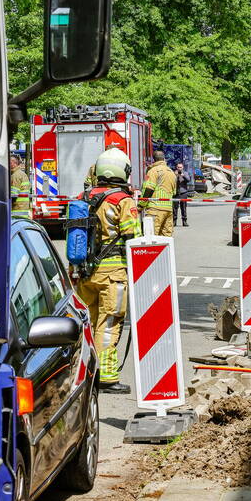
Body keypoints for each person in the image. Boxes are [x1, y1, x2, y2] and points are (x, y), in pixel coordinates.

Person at [75, 148, 139, 394]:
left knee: (88, 322)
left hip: (84, 272)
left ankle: (86, 371)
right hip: (112, 275)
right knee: (110, 322)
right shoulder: (122, 201)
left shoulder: (83, 196)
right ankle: (107, 377)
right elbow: (133, 236)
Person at [139, 151, 176, 236]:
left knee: (151, 236)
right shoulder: (171, 172)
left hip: (155, 209)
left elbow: (149, 189)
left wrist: (141, 205)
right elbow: (174, 192)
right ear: (164, 159)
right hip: (168, 209)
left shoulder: (153, 171)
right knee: (166, 237)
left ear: (154, 159)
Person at [10, 154, 31, 219]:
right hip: (23, 210)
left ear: (13, 163)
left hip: (16, 211)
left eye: (9, 163)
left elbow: (13, 195)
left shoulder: (15, 176)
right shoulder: (22, 174)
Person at [172, 162, 191, 227]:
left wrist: (183, 176)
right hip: (176, 193)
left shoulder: (185, 173)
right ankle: (174, 221)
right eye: (178, 167)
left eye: (180, 167)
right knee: (174, 208)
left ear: (183, 167)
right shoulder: (174, 173)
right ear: (176, 167)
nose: (179, 168)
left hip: (183, 192)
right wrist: (175, 175)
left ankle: (184, 221)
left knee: (183, 207)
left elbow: (188, 180)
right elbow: (171, 181)